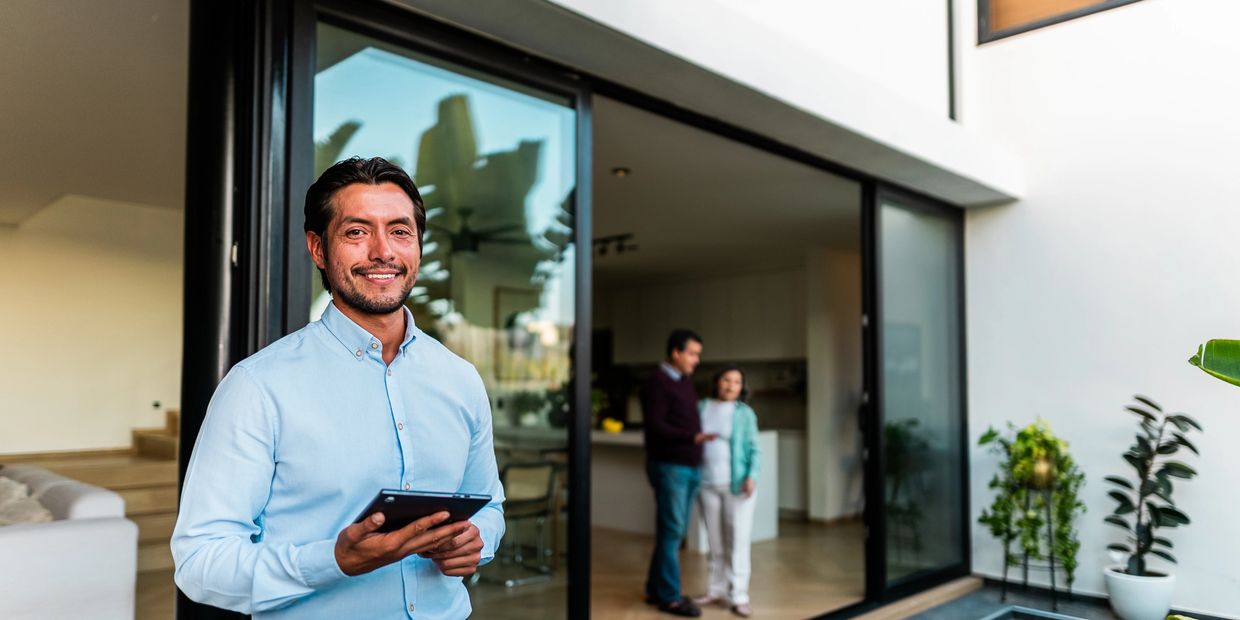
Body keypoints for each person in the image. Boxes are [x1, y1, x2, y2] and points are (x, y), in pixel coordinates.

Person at [171, 157, 505, 619]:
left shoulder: (461, 378)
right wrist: (334, 561)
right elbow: (200, 562)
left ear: (418, 248)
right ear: (318, 249)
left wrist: (477, 541)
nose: (383, 251)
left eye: (400, 231)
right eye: (356, 232)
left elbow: (489, 506)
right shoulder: (257, 387)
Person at [641, 329, 716, 617]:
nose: (697, 360)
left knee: (670, 532)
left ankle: (654, 589)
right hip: (671, 467)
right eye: (693, 353)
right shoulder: (657, 383)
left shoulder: (683, 382)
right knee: (673, 532)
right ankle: (670, 597)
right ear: (676, 352)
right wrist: (692, 437)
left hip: (688, 466)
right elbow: (656, 426)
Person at [692, 366, 760, 618]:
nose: (731, 386)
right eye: (726, 380)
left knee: (738, 540)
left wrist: (752, 476)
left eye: (737, 382)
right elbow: (692, 437)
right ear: (716, 383)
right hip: (706, 484)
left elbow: (755, 448)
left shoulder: (745, 413)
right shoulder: (701, 407)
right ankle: (715, 589)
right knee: (715, 541)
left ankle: (739, 595)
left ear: (742, 387)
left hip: (737, 486)